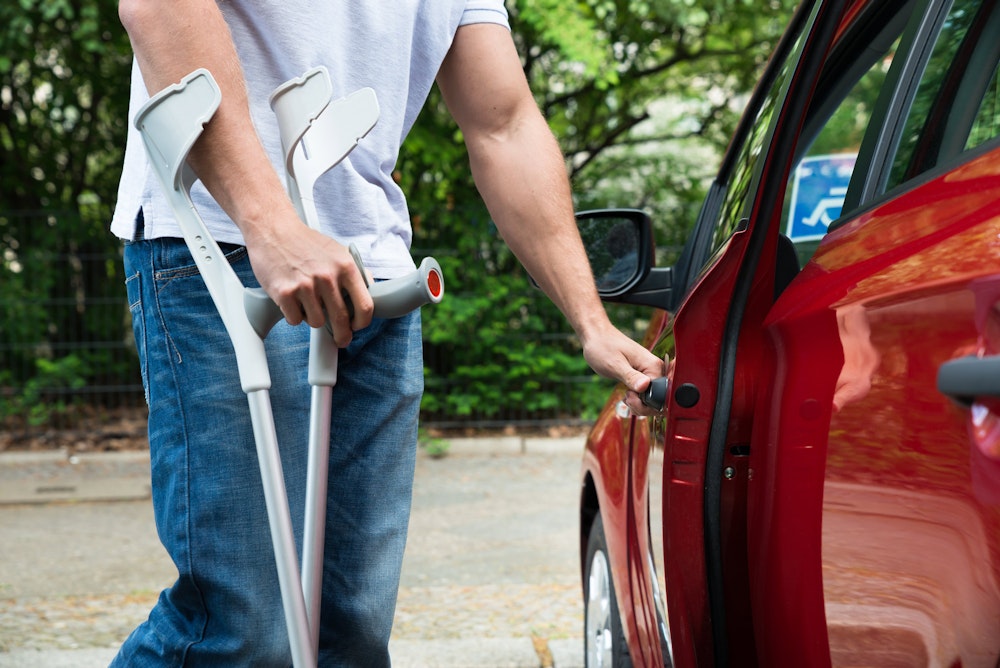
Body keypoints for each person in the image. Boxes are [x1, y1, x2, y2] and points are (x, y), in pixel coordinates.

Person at [111, 0, 665, 665]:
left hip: (374, 277)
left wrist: (590, 318)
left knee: (350, 632)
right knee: (242, 630)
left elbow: (504, 124)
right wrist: (272, 225)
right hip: (223, 247)